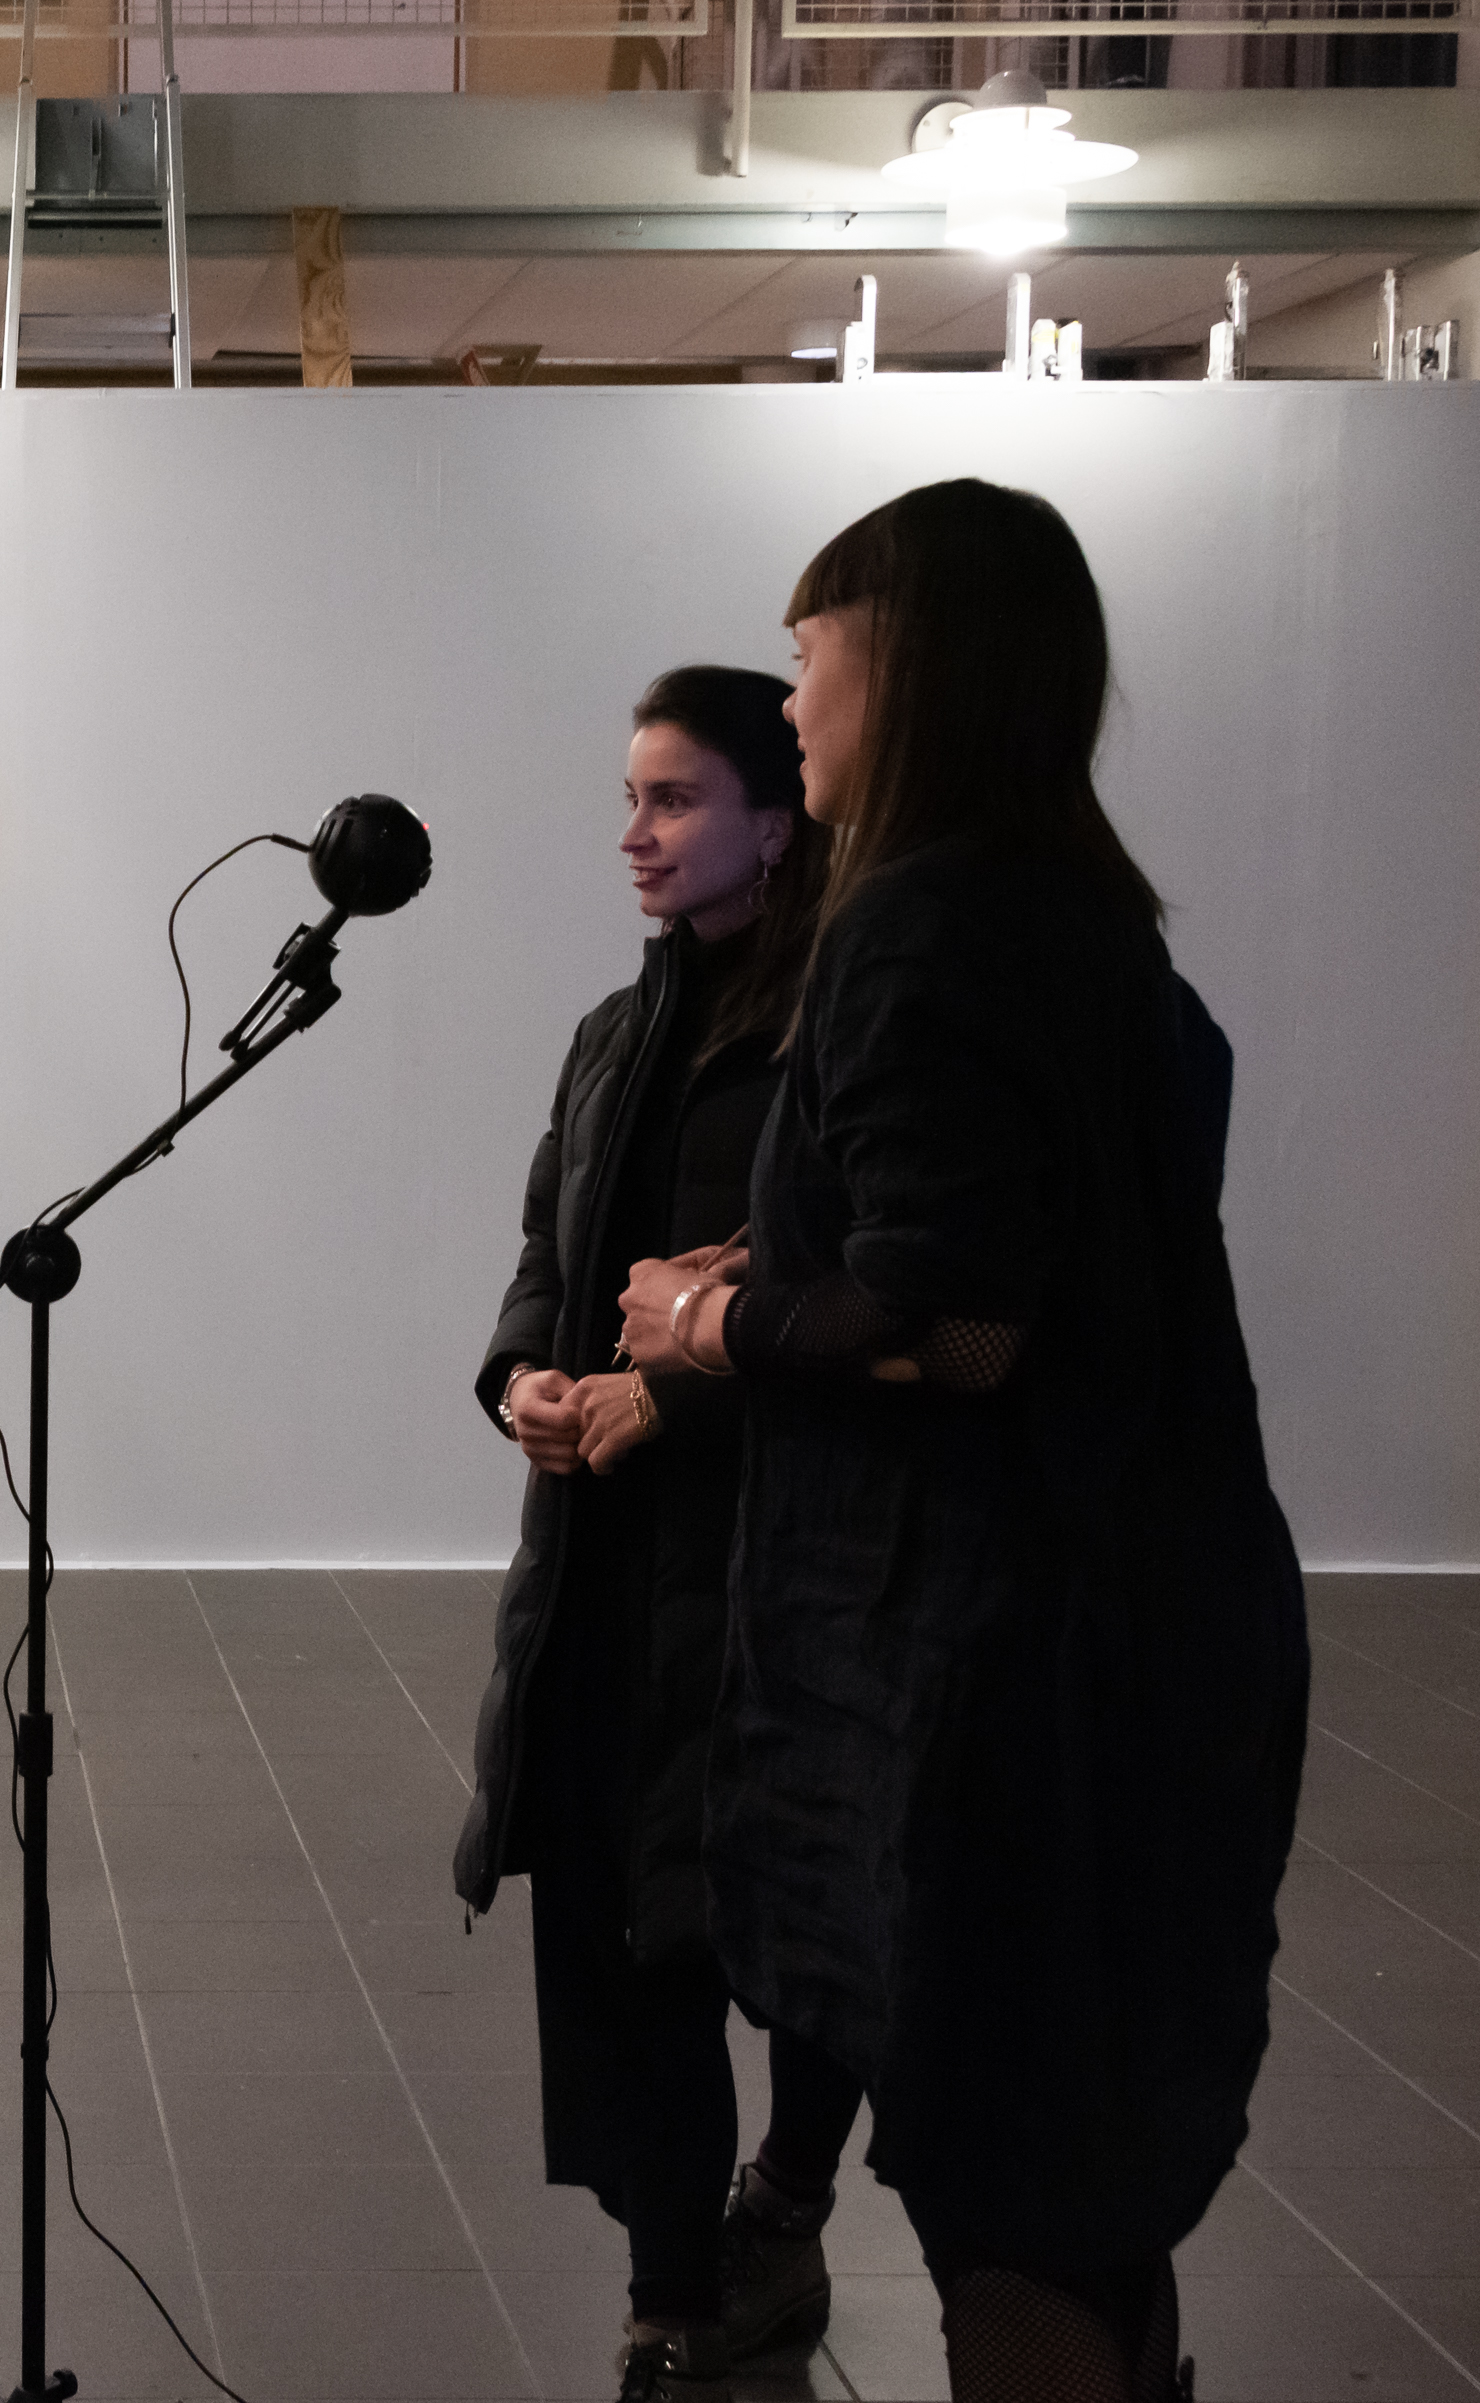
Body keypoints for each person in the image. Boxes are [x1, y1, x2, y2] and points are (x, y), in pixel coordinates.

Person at [620, 480, 1308, 2403]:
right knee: (1082, 2181)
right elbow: (1037, 1253)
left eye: (809, 656)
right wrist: (791, 1262)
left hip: (1013, 1676)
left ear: (907, 663)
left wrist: (707, 1323)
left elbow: (962, 1326)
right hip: (1136, 1627)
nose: (794, 703)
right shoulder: (1077, 910)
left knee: (1016, 2174)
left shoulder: (918, 922)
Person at [458, 665, 868, 2403]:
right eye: (630, 799)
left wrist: (673, 1403)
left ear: (775, 821)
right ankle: (671, 2290)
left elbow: (873, 1309)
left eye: (675, 799)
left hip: (788, 1572)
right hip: (610, 1569)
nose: (634, 834)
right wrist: (525, 1384)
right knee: (624, 1933)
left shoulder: (839, 1036)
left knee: (790, 1928)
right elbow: (547, 1256)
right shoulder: (613, 1035)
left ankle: (787, 2200)